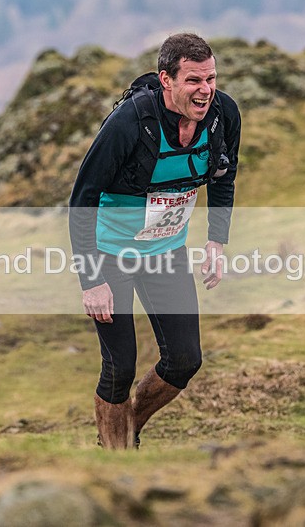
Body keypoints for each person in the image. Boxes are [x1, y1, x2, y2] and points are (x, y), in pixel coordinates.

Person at [69, 33, 241, 449]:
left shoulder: (224, 116)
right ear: (167, 80)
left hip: (166, 251)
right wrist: (91, 281)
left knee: (185, 360)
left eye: (211, 78)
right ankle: (118, 457)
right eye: (193, 80)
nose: (205, 90)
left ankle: (126, 426)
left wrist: (216, 242)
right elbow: (82, 200)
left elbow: (224, 176)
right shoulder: (129, 123)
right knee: (119, 368)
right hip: (111, 254)